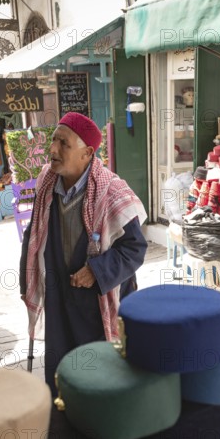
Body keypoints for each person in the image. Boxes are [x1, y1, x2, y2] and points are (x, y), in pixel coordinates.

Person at [20, 112, 148, 394]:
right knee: (60, 374)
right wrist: (26, 281)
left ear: (87, 153)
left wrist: (97, 270)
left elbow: (135, 248)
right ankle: (62, 425)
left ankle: (99, 428)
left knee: (99, 376)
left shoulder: (112, 191)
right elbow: (33, 235)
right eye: (53, 140)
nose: (52, 149)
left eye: (63, 143)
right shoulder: (46, 184)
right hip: (57, 296)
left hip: (96, 302)